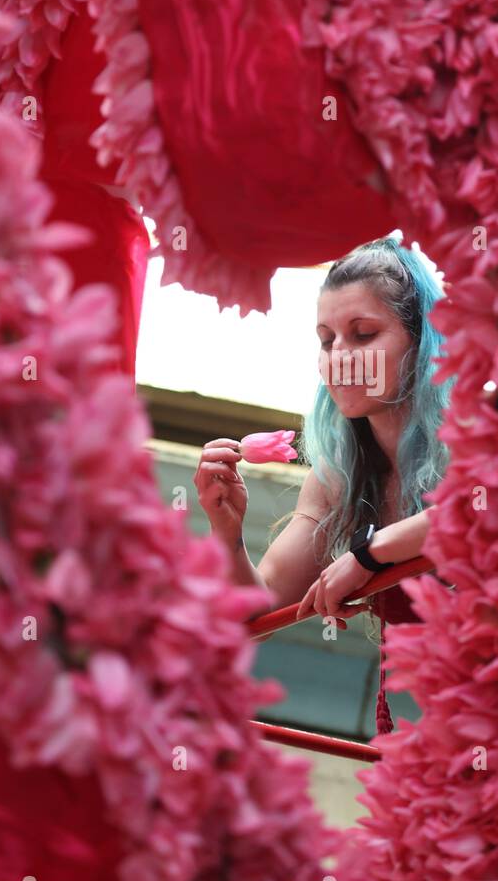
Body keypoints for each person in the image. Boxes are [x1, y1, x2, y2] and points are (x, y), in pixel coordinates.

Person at [193, 236, 453, 732]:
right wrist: (227, 535)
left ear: (422, 341)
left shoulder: (480, 431)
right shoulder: (336, 474)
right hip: (451, 733)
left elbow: (489, 508)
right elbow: (253, 620)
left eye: (363, 333)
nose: (340, 356)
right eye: (327, 339)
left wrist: (369, 556)